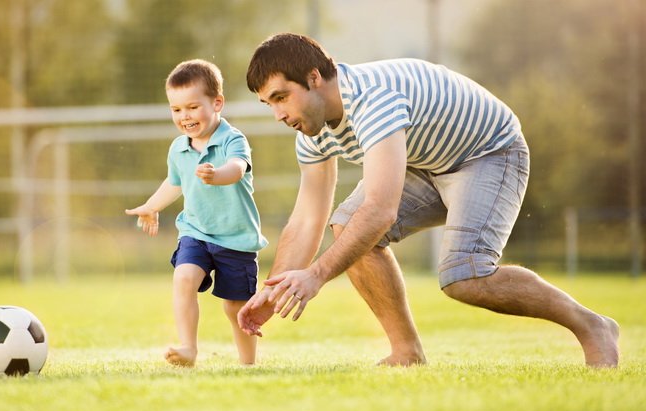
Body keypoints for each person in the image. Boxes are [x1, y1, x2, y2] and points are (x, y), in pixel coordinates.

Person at [236, 33, 619, 367]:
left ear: (314, 78)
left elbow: (381, 210)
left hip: (488, 153)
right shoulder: (311, 131)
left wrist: (317, 275)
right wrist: (275, 288)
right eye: (269, 103)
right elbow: (306, 219)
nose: (277, 114)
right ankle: (407, 353)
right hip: (425, 162)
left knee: (465, 276)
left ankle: (592, 324)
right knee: (347, 226)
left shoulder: (373, 101)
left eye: (281, 97)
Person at [126, 59, 268, 367]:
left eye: (192, 107)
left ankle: (248, 363)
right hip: (196, 232)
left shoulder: (233, 139)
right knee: (184, 277)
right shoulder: (178, 148)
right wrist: (151, 206)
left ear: (217, 103)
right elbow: (174, 182)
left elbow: (237, 168)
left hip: (236, 238)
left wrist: (216, 175)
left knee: (235, 307)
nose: (184, 116)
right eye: (176, 110)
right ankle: (188, 348)